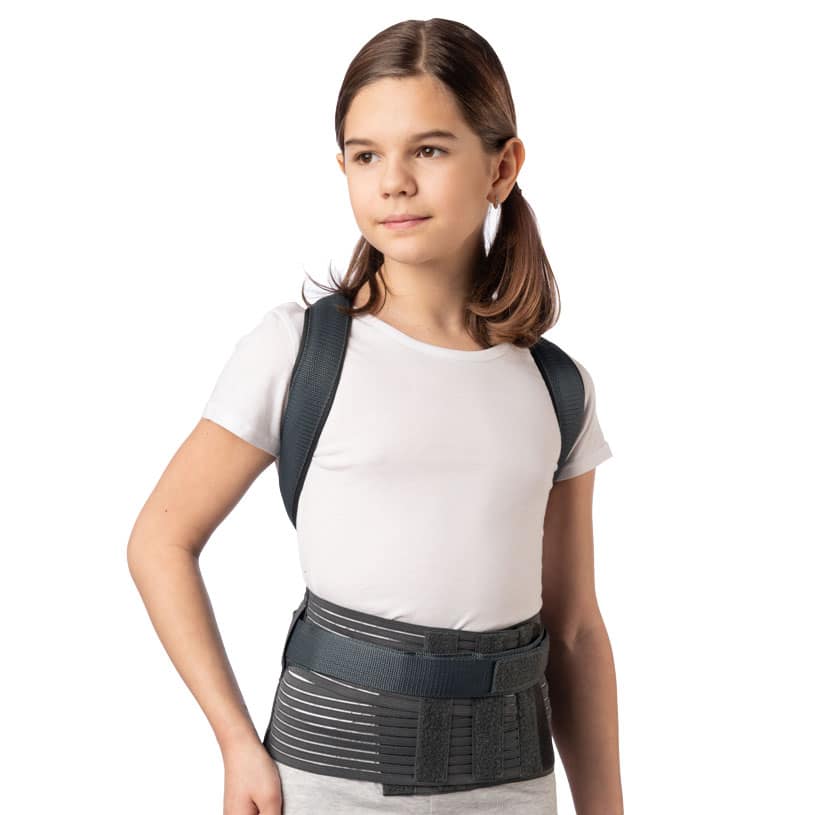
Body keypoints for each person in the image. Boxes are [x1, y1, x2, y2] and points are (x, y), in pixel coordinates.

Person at [127, 17, 623, 815]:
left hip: (513, 787)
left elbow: (573, 630)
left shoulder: (556, 386)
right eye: (365, 155)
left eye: (428, 150)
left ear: (501, 167)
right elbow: (160, 540)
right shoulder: (298, 350)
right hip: (324, 781)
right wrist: (235, 741)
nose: (393, 181)